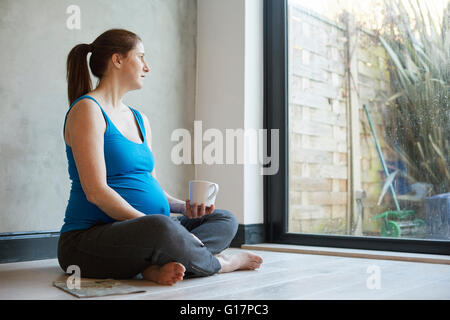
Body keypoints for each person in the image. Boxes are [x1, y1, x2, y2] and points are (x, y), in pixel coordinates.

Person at [58, 28, 263, 285]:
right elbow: (96, 192)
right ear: (117, 60)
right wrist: (170, 230)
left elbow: (152, 184)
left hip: (152, 232)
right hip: (88, 240)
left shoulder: (139, 119)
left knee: (224, 219)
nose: (147, 66)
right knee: (163, 228)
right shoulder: (87, 110)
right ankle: (221, 264)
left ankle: (154, 265)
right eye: (141, 56)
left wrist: (182, 207)